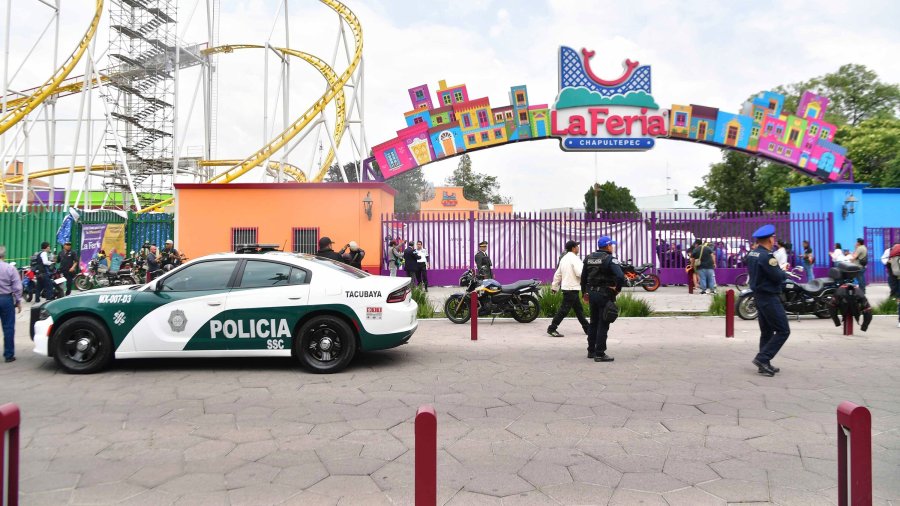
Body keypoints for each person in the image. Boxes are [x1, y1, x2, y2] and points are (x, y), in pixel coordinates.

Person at [746, 225, 790, 377]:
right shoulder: (767, 257)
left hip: (758, 295)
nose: (774, 240)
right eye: (773, 237)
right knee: (783, 330)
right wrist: (783, 271)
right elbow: (778, 276)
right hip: (769, 297)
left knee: (767, 331)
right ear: (770, 239)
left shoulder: (752, 253)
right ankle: (762, 358)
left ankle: (764, 364)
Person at [581, 236, 626, 363]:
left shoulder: (589, 258)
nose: (612, 247)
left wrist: (584, 293)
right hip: (604, 295)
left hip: (592, 294)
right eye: (611, 245)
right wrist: (617, 289)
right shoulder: (610, 259)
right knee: (603, 323)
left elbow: (583, 278)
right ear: (607, 246)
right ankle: (600, 353)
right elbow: (621, 276)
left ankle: (591, 350)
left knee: (593, 322)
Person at [547, 240, 590, 338]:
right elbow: (580, 273)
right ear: (573, 248)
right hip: (572, 288)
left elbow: (558, 274)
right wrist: (588, 279)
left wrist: (554, 287)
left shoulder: (564, 258)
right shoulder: (574, 259)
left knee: (579, 310)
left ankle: (587, 328)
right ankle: (552, 328)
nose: (578, 248)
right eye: (577, 246)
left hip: (568, 287)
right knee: (564, 310)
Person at [0, 246, 23, 363]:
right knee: (8, 327)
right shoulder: (10, 268)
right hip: (5, 299)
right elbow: (17, 287)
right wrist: (18, 301)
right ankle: (9, 355)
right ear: (3, 256)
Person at [882, 242, 900, 328]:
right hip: (893, 273)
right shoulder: (888, 251)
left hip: (895, 274)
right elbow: (884, 259)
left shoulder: (893, 253)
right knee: (895, 289)